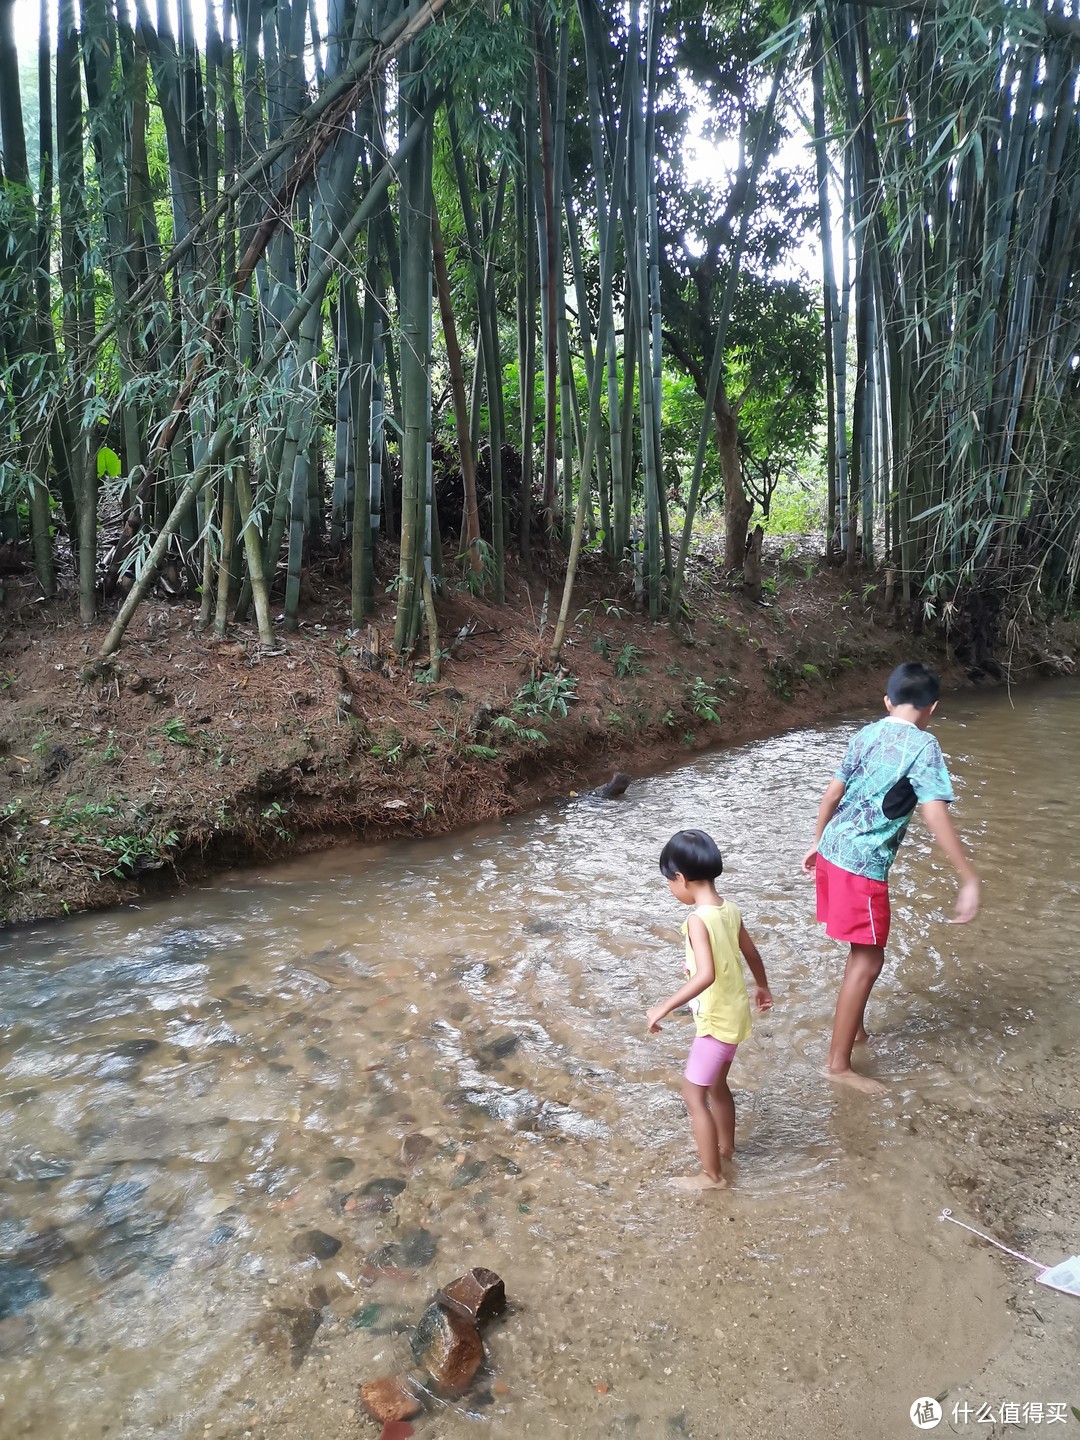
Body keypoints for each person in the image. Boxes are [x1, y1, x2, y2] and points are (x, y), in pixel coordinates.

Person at [802, 661, 980, 1095]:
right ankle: (837, 1066)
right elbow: (934, 810)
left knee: (860, 951)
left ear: (887, 701)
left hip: (832, 853)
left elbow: (833, 791)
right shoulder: (924, 745)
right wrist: (968, 876)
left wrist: (815, 840)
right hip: (862, 865)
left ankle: (856, 1034)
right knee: (869, 960)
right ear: (932, 707)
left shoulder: (866, 733)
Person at [646, 829, 773, 1190]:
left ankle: (712, 1175)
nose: (672, 890)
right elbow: (750, 953)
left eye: (669, 883)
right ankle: (725, 1148)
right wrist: (762, 986)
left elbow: (705, 974)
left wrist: (663, 1007)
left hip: (715, 1023)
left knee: (693, 1095)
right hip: (734, 1016)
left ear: (681, 878)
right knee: (718, 1087)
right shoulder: (728, 909)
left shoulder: (697, 920)